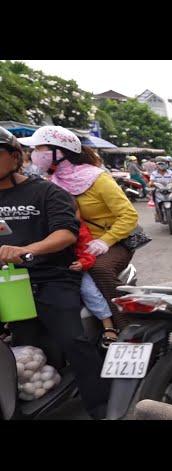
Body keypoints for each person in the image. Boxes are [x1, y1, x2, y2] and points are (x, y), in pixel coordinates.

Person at [0, 127, 109, 419]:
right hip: (8, 283)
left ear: (14, 158)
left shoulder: (46, 191)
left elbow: (66, 233)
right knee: (20, 350)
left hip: (50, 278)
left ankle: (101, 406)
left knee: (74, 340)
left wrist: (26, 249)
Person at [19, 127, 139, 332]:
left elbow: (129, 216)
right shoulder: (52, 183)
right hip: (73, 243)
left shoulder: (97, 178)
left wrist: (104, 241)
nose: (34, 154)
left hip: (113, 242)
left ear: (59, 152)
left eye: (40, 148)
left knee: (99, 269)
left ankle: (128, 328)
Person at [70, 210, 119, 348]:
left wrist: (81, 263)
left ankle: (108, 325)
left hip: (76, 268)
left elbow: (88, 252)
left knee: (89, 291)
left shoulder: (79, 229)